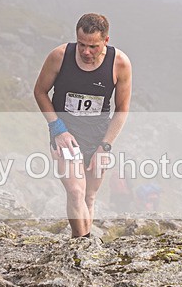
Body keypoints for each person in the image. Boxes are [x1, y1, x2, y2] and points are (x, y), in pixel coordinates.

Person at [34, 13, 132, 237]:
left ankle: (80, 243)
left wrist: (105, 147)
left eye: (93, 46)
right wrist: (57, 128)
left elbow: (122, 109)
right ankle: (84, 247)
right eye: (81, 45)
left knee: (89, 195)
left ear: (106, 41)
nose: (86, 51)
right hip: (66, 134)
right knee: (76, 192)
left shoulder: (120, 63)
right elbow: (40, 91)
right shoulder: (59, 56)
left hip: (98, 136)